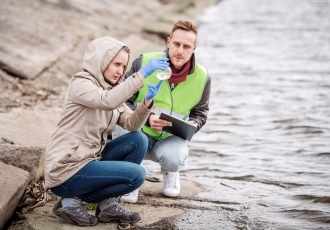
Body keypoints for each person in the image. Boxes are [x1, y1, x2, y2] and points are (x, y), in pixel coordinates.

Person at [44, 37, 170, 227]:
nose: (121, 71)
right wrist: (142, 74)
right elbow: (107, 101)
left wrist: (146, 104)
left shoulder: (113, 90)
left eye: (124, 65)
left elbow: (131, 124)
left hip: (89, 161)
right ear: (101, 61)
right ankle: (71, 202)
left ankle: (108, 205)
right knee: (136, 175)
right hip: (66, 169)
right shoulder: (80, 83)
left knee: (139, 140)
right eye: (116, 64)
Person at [119, 20, 211, 202]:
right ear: (168, 42)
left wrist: (193, 124)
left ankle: (171, 171)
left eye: (186, 46)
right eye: (176, 44)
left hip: (169, 138)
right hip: (137, 133)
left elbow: (200, 114)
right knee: (118, 131)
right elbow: (121, 101)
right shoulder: (144, 62)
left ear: (194, 48)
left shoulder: (203, 77)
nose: (180, 51)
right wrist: (146, 118)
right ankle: (130, 177)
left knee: (175, 158)